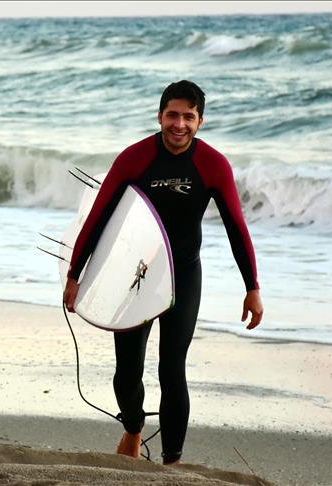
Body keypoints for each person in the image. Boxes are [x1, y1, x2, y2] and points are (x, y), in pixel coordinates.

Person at [63, 80, 263, 464]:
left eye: (189, 116)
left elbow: (238, 227)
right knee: (127, 370)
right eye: (172, 114)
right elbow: (98, 218)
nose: (179, 124)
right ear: (159, 116)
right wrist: (76, 275)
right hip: (132, 275)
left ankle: (172, 461)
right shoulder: (134, 158)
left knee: (173, 368)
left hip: (183, 275)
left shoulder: (213, 164)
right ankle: (134, 430)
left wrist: (252, 287)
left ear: (200, 121)